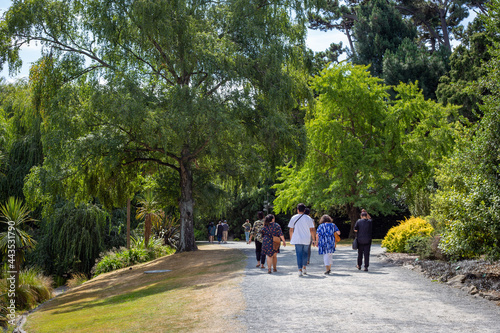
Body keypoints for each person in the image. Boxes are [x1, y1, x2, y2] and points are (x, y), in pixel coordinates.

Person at [288, 203, 316, 276]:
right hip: (306, 239)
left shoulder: (293, 217)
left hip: (297, 239)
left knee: (299, 254)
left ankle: (299, 270)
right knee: (305, 254)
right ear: (304, 210)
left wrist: (291, 239)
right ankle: (304, 267)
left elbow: (291, 230)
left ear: (297, 210)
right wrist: (314, 239)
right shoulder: (308, 218)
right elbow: (312, 230)